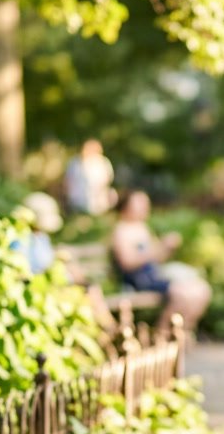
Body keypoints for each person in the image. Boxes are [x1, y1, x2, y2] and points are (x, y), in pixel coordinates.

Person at [109, 190, 211, 332]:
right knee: (182, 294)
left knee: (201, 290)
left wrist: (167, 248)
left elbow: (157, 259)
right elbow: (127, 263)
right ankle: (162, 333)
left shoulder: (142, 227)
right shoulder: (121, 230)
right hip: (140, 281)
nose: (144, 207)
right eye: (139, 203)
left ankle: (184, 330)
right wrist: (158, 248)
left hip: (155, 275)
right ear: (126, 206)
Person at [63, 138, 117, 215]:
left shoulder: (103, 162)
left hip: (97, 199)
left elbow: (108, 179)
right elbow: (68, 180)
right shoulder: (75, 162)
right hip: (76, 198)